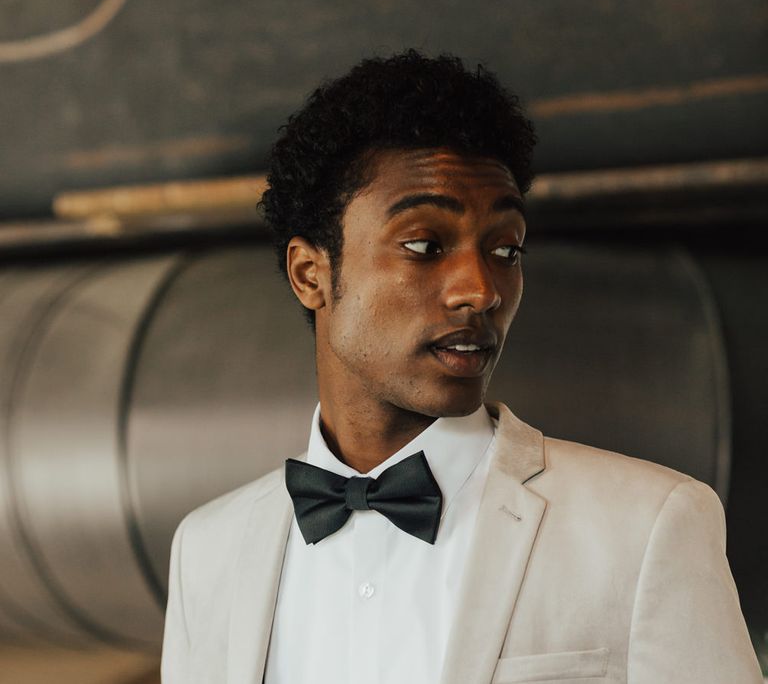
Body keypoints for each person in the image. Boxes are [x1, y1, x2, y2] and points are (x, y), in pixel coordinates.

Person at [160, 51, 762, 684]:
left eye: (505, 249)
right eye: (424, 246)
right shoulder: (208, 550)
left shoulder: (649, 526)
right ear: (312, 274)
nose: (480, 289)